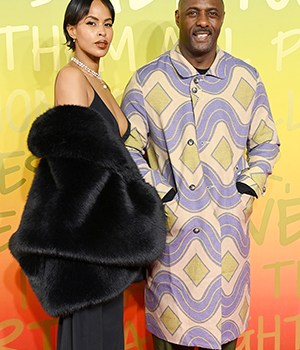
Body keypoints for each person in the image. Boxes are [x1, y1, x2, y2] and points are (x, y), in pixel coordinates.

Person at [121, 0, 280, 349]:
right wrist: (162, 197)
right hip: (172, 245)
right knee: (168, 339)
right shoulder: (147, 80)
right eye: (193, 12)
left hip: (227, 241)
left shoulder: (245, 78)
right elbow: (128, 149)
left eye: (211, 12)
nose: (202, 21)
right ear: (178, 17)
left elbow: (267, 141)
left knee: (226, 339)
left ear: (222, 18)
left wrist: (244, 192)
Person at [8, 1, 167, 349]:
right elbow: (77, 166)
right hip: (89, 241)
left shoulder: (101, 83)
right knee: (91, 335)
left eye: (107, 24)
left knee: (104, 334)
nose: (102, 32)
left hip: (106, 235)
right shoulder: (71, 77)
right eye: (91, 23)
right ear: (72, 30)